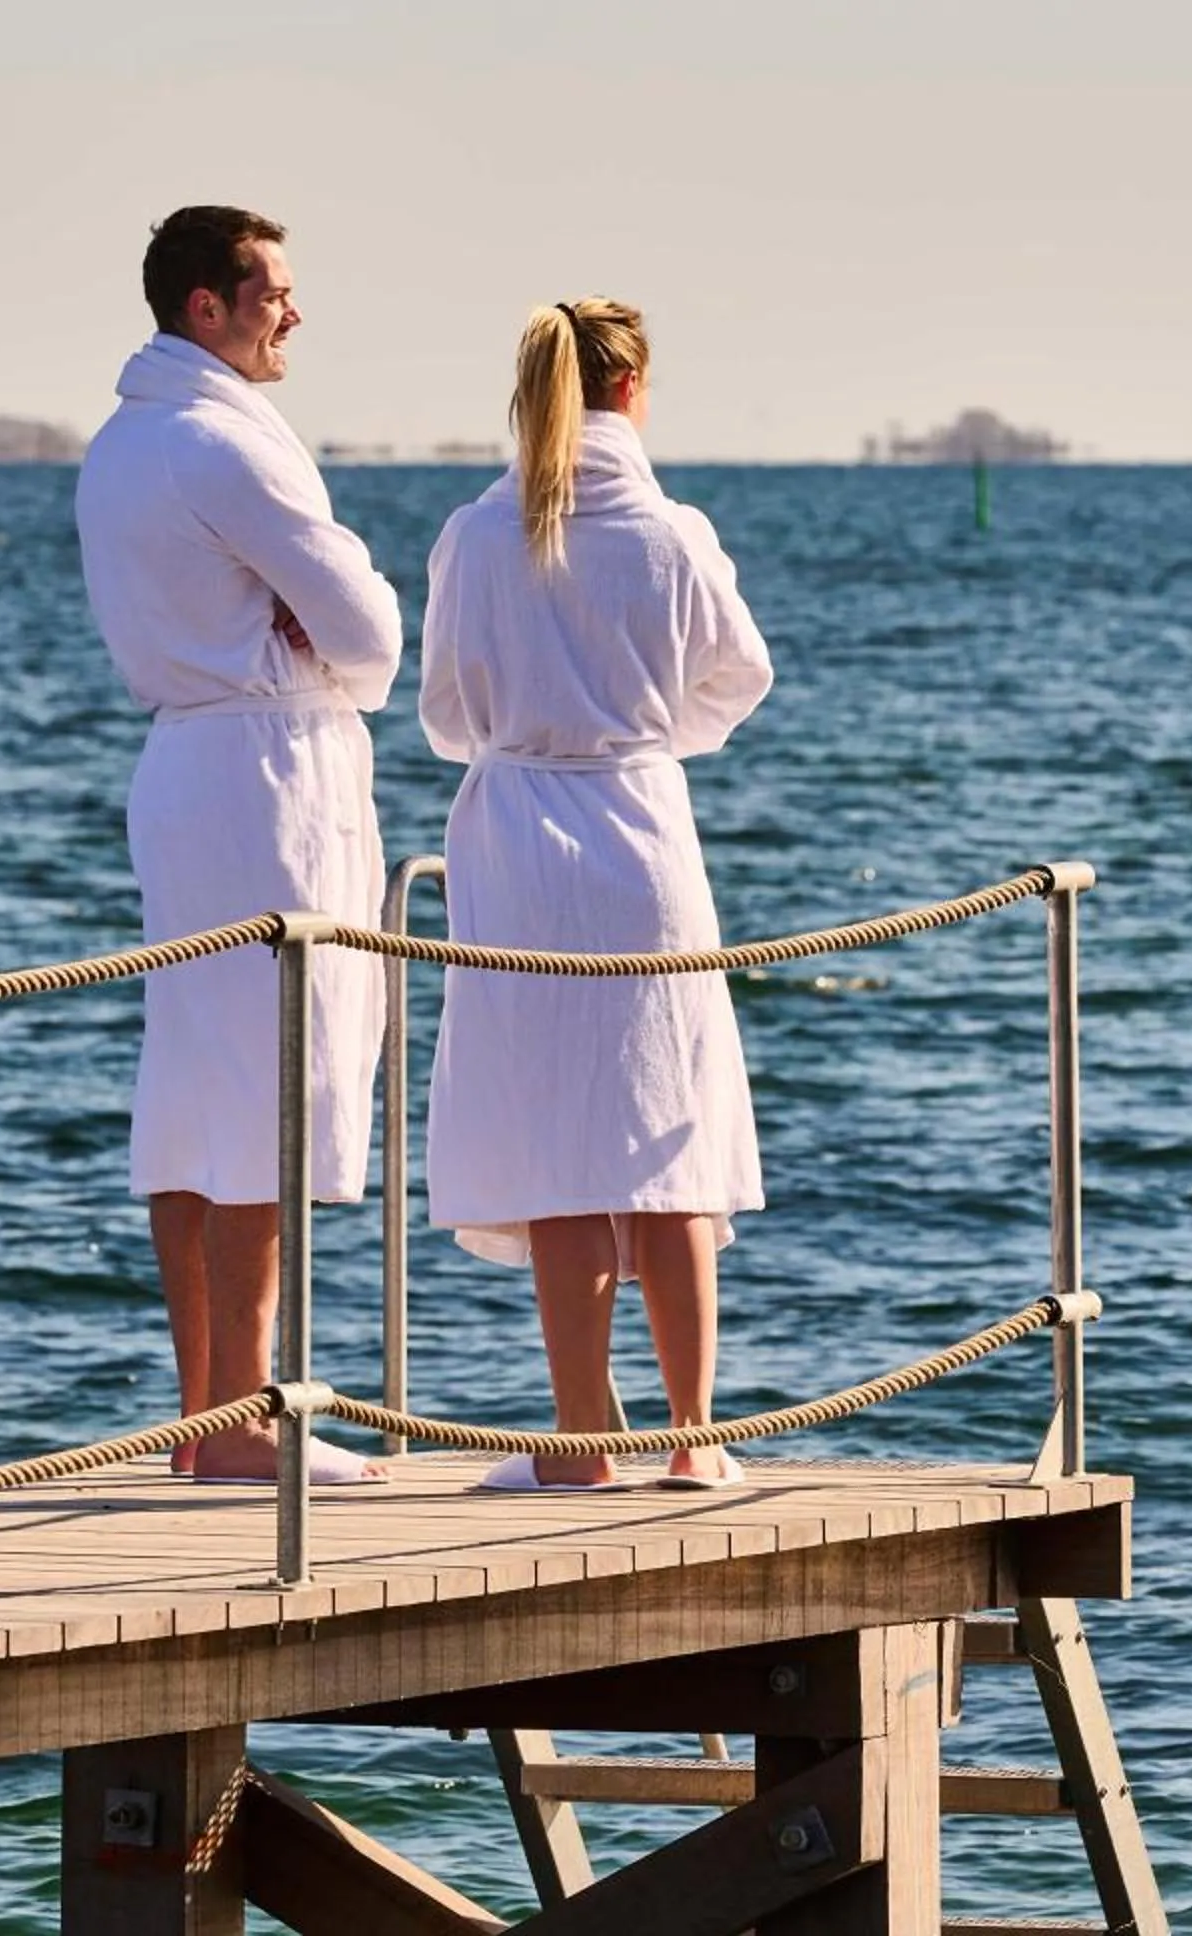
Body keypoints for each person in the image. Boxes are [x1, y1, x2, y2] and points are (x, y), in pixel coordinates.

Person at [420, 297, 772, 1491]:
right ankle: (692, 1437)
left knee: (558, 1144)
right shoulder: (671, 534)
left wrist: (532, 733)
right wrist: (646, 729)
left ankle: (579, 1440)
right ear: (633, 389)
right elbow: (741, 675)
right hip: (643, 836)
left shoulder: (477, 535)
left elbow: (445, 712)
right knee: (665, 1136)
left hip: (519, 844)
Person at [75, 205, 399, 1485]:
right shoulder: (224, 446)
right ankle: (249, 1419)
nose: (293, 312)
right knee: (273, 1076)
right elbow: (368, 623)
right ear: (204, 306)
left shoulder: (119, 443)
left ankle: (204, 1418)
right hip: (271, 770)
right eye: (271, 290)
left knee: (194, 1082)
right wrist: (312, 628)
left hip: (183, 769)